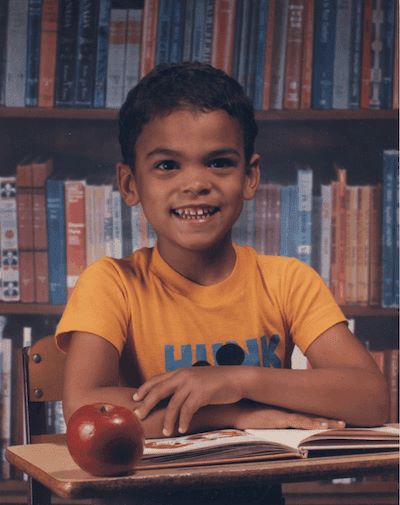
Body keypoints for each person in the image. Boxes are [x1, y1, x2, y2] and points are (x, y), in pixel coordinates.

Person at [56, 62, 388, 443]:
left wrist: (236, 378)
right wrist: (238, 414)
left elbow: (372, 398)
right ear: (130, 184)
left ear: (249, 177)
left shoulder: (287, 281)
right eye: (167, 165)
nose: (196, 183)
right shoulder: (112, 282)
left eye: (219, 163)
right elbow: (83, 409)